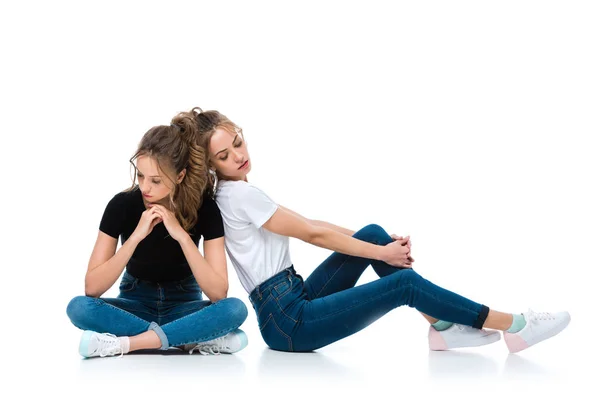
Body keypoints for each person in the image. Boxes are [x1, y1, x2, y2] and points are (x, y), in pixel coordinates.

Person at [180, 106, 570, 353]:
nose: (239, 155)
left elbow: (312, 224)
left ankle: (443, 328)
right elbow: (311, 236)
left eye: (238, 142)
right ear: (212, 165)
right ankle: (515, 326)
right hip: (288, 322)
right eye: (225, 155)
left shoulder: (238, 193)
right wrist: (383, 255)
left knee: (369, 232)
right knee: (403, 286)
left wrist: (377, 245)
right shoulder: (239, 197)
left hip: (291, 297)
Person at [66, 113, 248, 358]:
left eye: (156, 180)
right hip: (134, 304)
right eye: (140, 176)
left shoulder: (205, 208)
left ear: (180, 176)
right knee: (78, 307)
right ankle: (186, 338)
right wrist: (135, 238)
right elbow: (92, 288)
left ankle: (128, 344)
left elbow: (218, 293)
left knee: (235, 310)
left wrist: (182, 236)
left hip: (184, 304)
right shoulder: (121, 205)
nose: (145, 187)